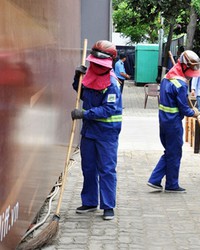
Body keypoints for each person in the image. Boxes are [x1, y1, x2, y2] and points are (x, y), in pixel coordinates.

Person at [71, 40, 122, 220]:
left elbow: (108, 109)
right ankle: (90, 202)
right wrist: (77, 78)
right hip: (89, 132)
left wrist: (84, 114)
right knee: (89, 167)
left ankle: (108, 206)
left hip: (107, 133)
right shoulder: (90, 75)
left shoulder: (113, 84)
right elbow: (81, 93)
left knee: (107, 169)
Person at [147, 50, 200, 193]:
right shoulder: (180, 85)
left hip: (163, 120)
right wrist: (193, 112)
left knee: (170, 151)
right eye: (190, 71)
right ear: (184, 66)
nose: (191, 74)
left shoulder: (167, 77)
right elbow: (183, 109)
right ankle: (171, 184)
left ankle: (155, 180)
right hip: (173, 123)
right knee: (174, 153)